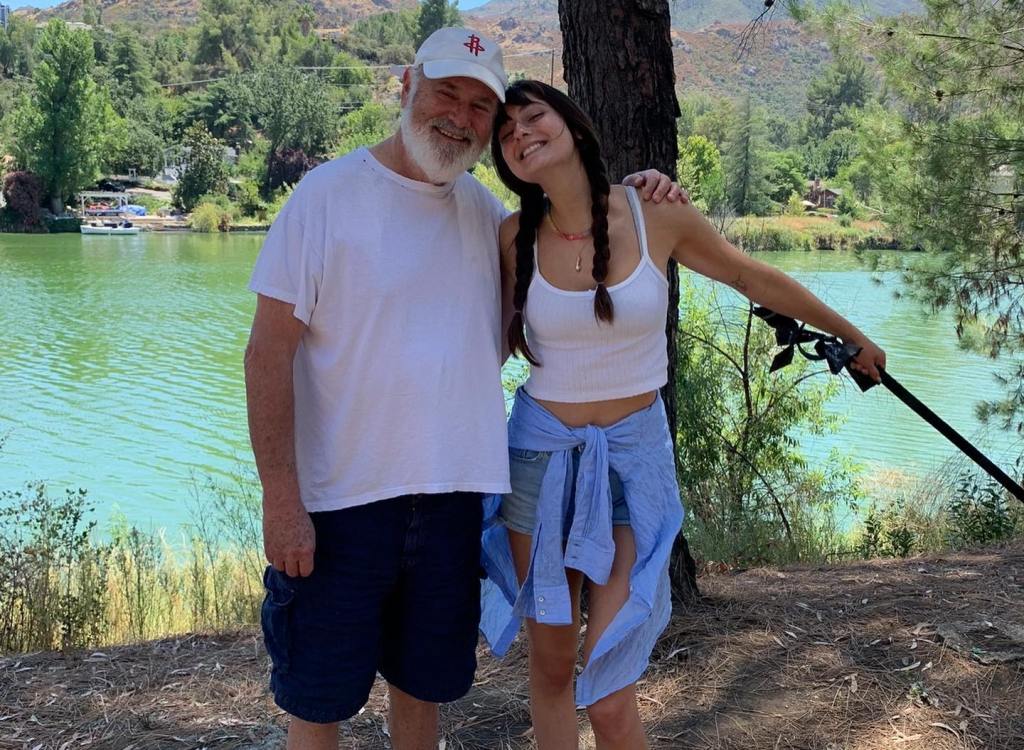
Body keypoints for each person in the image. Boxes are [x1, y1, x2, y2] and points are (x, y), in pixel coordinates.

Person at [244, 29, 683, 750]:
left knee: (425, 692)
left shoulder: (488, 221)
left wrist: (638, 197)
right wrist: (282, 500)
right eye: (447, 92)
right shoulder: (325, 197)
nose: (461, 116)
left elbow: (557, 303)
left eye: (482, 106)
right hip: (338, 507)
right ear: (407, 84)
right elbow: (266, 356)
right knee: (318, 700)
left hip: (453, 504)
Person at [479, 80, 887, 749]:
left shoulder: (654, 214)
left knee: (609, 693)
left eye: (534, 117)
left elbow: (751, 278)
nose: (521, 134)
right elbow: (484, 349)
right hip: (539, 462)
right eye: (506, 133)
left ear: (574, 125)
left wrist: (853, 334)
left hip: (633, 464)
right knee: (551, 669)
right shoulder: (511, 236)